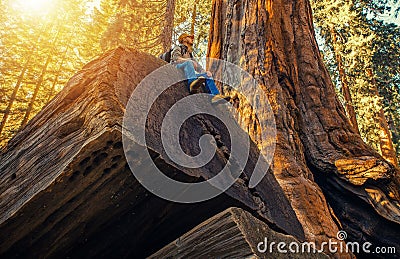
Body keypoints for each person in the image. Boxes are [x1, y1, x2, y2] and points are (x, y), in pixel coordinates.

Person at [171, 33, 230, 103]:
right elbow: (176, 58)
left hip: (187, 73)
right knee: (189, 63)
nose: (192, 39)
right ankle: (191, 84)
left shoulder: (189, 54)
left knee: (206, 76)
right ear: (183, 39)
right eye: (189, 37)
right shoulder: (178, 48)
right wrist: (188, 61)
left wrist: (205, 72)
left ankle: (215, 96)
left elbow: (198, 67)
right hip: (177, 68)